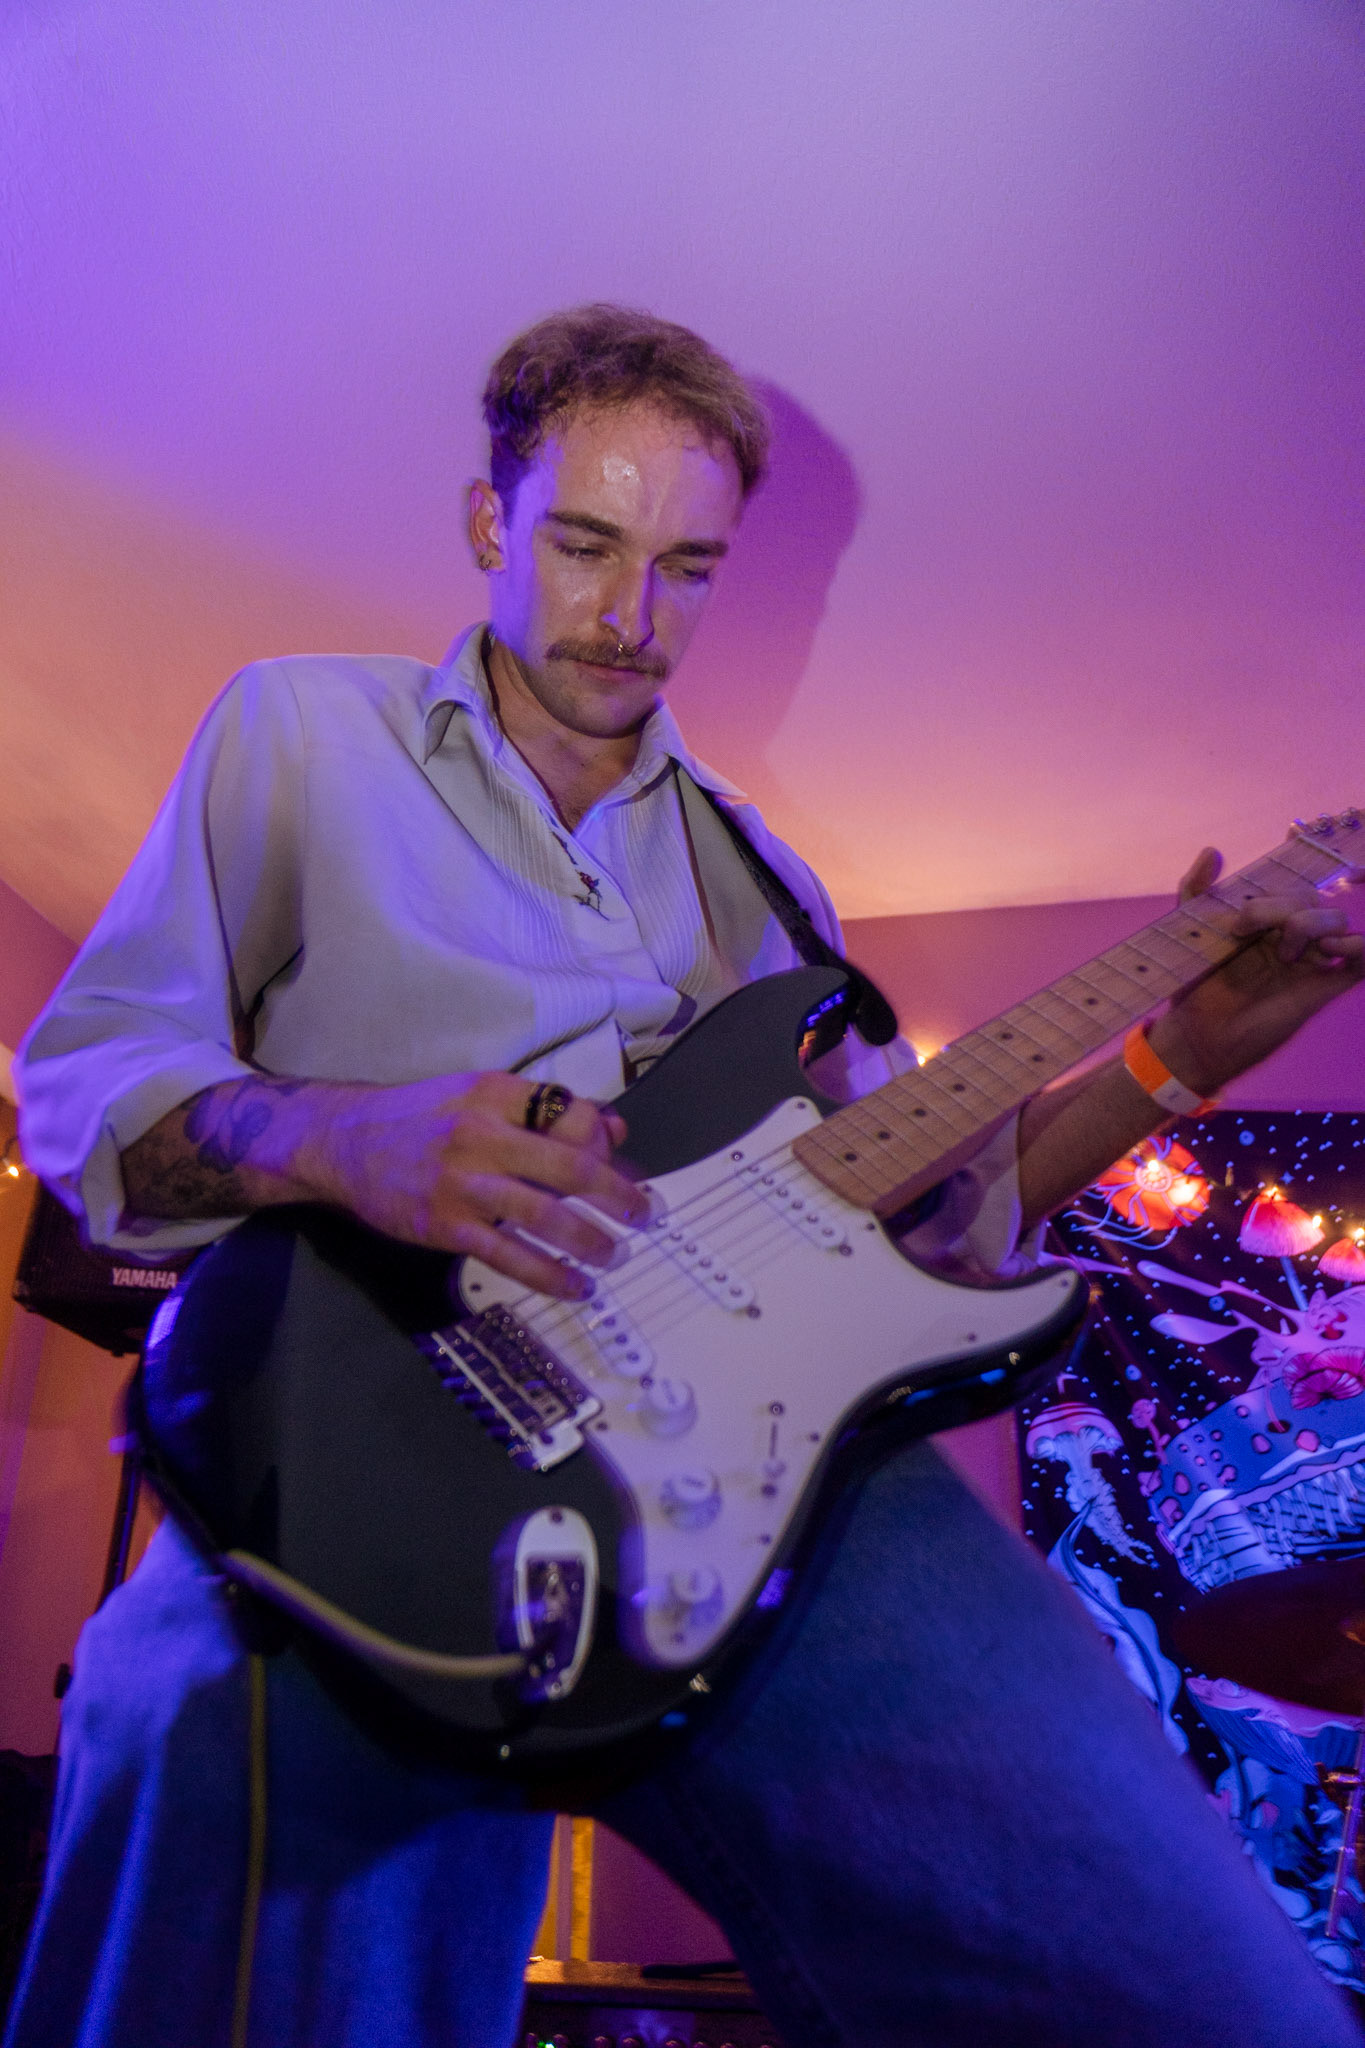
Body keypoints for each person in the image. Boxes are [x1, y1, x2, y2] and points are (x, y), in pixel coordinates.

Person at [8, 305, 1364, 2048]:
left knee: (1206, 1991)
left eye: (688, 569)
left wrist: (1178, 1057)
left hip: (785, 1486)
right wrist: (344, 1134)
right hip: (371, 1431)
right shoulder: (302, 732)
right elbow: (93, 1082)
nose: (633, 616)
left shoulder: (766, 881)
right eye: (585, 544)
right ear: (491, 522)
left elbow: (943, 1223)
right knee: (196, 1766)